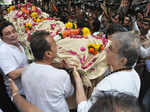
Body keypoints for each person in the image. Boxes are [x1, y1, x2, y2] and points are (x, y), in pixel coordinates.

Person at [72, 32, 141, 112]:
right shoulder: (134, 75)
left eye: (110, 48)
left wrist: (78, 79)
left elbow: (84, 110)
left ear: (122, 60)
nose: (106, 49)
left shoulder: (109, 84)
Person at [21, 31, 74, 112]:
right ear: (48, 54)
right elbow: (70, 93)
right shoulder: (60, 75)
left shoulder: (25, 70)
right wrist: (71, 71)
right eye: (54, 44)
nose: (57, 46)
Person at [0, 20, 28, 96]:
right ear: (2, 38)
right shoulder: (3, 51)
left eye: (13, 31)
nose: (12, 35)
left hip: (28, 88)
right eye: (7, 34)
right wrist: (33, 66)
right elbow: (12, 74)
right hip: (19, 94)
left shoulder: (18, 44)